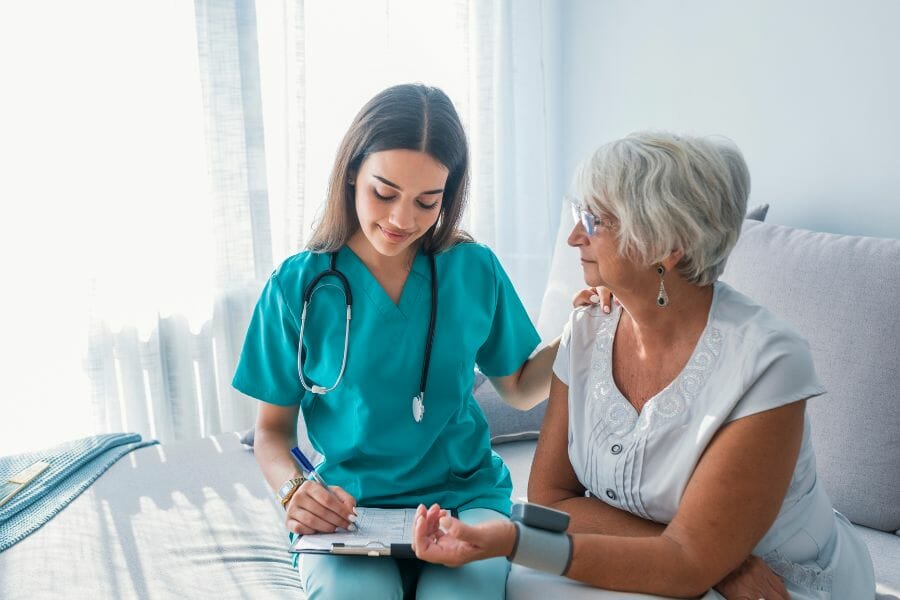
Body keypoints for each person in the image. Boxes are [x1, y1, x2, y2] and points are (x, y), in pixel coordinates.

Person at [411, 131, 876, 599]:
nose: (575, 236)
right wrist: (717, 562)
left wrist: (517, 542)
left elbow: (685, 563)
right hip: (715, 568)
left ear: (667, 246)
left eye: (594, 221)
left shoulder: (768, 362)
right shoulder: (589, 328)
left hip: (772, 583)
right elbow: (553, 499)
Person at [232, 83, 557, 599]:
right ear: (351, 175)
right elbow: (272, 431)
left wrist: (584, 332)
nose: (402, 220)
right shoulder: (297, 286)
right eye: (384, 194)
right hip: (350, 505)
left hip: (463, 497)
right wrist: (296, 491)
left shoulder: (472, 270)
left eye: (428, 201)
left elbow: (518, 388)